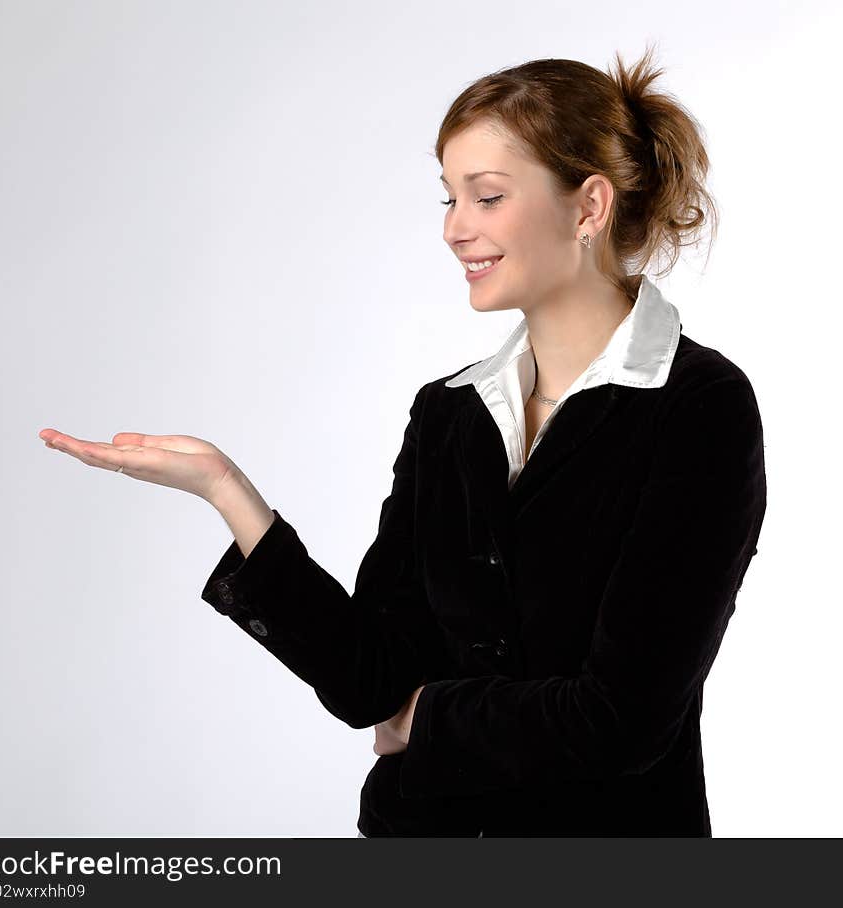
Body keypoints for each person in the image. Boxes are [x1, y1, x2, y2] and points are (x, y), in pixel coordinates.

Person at [38, 44, 767, 837]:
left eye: (486, 197)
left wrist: (425, 718)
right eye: (449, 198)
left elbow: (622, 719)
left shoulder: (699, 408)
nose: (456, 229)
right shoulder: (449, 413)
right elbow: (371, 678)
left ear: (588, 207)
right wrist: (228, 492)